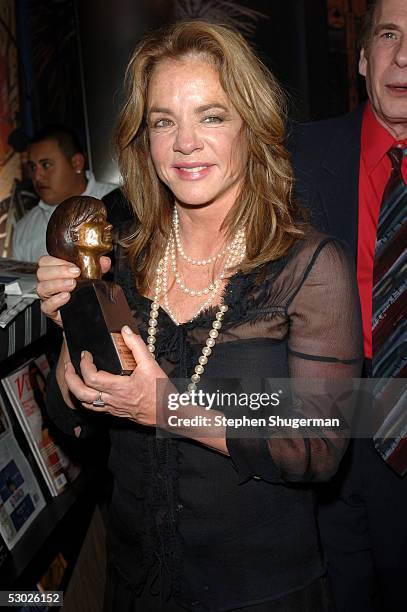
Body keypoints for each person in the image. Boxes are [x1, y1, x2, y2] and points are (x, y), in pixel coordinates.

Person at [36, 21, 362, 612]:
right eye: (164, 121)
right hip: (134, 587)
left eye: (210, 116)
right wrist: (72, 324)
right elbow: (71, 417)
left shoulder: (309, 266)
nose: (185, 142)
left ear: (252, 127)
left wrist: (169, 406)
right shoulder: (124, 257)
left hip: (259, 595)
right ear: (146, 139)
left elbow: (320, 439)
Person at [290, 0, 407, 610]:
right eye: (389, 34)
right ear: (363, 57)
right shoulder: (299, 159)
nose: (405, 57)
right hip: (328, 422)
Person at [12, 125, 114, 262]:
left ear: (77, 163)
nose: (36, 176)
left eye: (46, 165)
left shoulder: (119, 201)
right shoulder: (24, 227)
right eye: (32, 167)